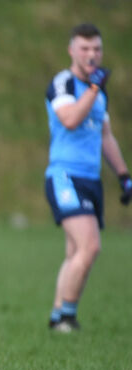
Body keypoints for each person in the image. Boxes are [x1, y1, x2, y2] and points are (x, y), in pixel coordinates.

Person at [44, 23, 131, 333]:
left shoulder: (98, 90)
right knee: (90, 246)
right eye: (85, 48)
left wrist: (123, 175)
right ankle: (66, 318)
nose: (92, 54)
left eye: (97, 49)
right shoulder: (64, 83)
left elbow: (105, 135)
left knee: (75, 253)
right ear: (72, 50)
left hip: (91, 179)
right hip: (64, 175)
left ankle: (57, 316)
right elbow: (69, 119)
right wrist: (93, 89)